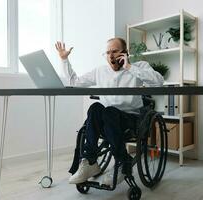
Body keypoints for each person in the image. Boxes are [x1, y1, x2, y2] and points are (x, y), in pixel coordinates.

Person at [55, 38, 164, 186]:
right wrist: (64, 60)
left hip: (130, 118)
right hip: (108, 120)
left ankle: (122, 163)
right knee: (95, 108)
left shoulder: (139, 66)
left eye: (114, 51)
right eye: (107, 52)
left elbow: (158, 81)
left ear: (125, 53)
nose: (111, 56)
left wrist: (129, 67)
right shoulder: (101, 71)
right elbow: (75, 82)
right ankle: (90, 161)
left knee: (109, 112)